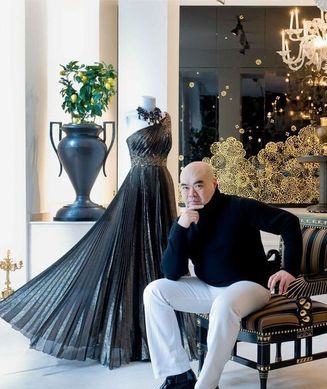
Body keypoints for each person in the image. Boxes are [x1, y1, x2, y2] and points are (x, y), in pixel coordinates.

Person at [0, 96, 196, 369]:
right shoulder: (130, 116)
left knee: (164, 249)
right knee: (128, 255)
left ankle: (163, 334)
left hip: (162, 188)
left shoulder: (166, 118)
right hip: (138, 189)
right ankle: (129, 335)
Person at [140, 161, 302, 389]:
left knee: (225, 304)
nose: (191, 193)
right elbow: (171, 273)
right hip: (209, 288)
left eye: (198, 185)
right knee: (155, 291)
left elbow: (288, 222)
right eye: (184, 187)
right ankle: (177, 374)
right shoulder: (186, 220)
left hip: (250, 286)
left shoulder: (240, 207)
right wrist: (180, 229)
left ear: (214, 184)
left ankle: (207, 387)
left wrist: (289, 269)